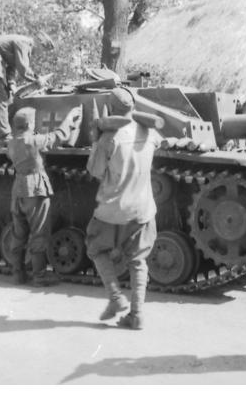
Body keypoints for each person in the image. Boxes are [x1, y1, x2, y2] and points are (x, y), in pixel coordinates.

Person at [85, 87, 162, 330]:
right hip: (143, 207)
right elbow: (158, 142)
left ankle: (116, 297)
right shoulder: (149, 132)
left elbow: (94, 171)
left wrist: (97, 139)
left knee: (96, 248)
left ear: (111, 109)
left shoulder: (109, 138)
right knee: (138, 260)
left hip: (113, 209)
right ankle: (136, 315)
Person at [6, 105, 82, 287]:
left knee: (19, 233)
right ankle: (39, 276)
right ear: (30, 123)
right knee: (39, 232)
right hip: (34, 188)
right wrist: (70, 116)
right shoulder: (34, 141)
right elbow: (59, 136)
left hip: (18, 189)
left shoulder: (11, 142)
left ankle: (17, 274)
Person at [0, 34, 52, 145]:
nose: (41, 54)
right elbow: (23, 69)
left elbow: (12, 67)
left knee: (5, 96)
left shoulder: (23, 46)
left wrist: (11, 84)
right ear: (39, 44)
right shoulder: (24, 44)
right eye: (43, 50)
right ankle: (5, 137)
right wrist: (38, 79)